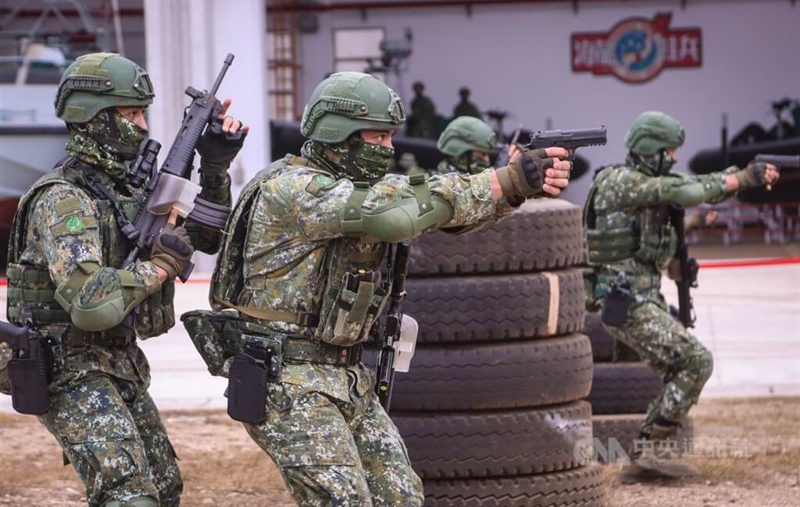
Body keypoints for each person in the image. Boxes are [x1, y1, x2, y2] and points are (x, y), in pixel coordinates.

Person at [199, 71, 571, 506]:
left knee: (401, 498)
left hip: (345, 374)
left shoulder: (352, 185)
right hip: (289, 379)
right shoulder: (294, 188)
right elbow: (393, 215)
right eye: (378, 138)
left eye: (390, 137)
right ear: (340, 135)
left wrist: (514, 189)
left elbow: (431, 206)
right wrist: (503, 180)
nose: (388, 149)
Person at [0, 52, 246, 506]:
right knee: (129, 496)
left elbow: (206, 239)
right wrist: (158, 267)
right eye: (131, 113)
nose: (143, 126)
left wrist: (214, 170)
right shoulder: (64, 200)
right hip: (67, 367)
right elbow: (91, 306)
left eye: (142, 112)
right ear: (95, 118)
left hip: (118, 361)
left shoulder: (124, 193)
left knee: (164, 487)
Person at [583, 111, 780, 482]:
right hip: (625, 301)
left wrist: (690, 223)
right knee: (696, 361)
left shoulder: (642, 187)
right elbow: (682, 189)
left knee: (684, 365)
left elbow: (672, 202)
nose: (673, 158)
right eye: (669, 151)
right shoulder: (621, 182)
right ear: (650, 151)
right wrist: (742, 178)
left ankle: (648, 453)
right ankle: (647, 454)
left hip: (640, 298)